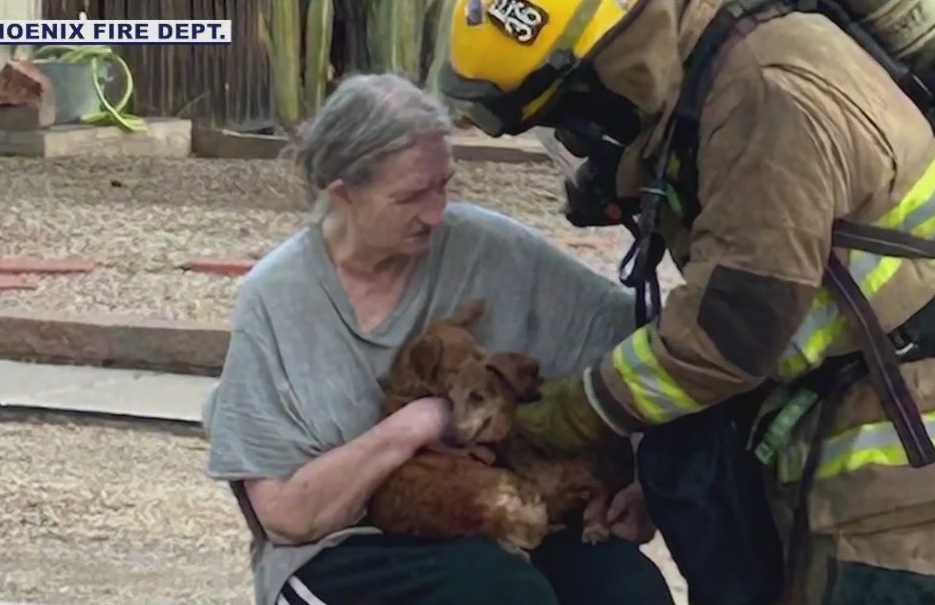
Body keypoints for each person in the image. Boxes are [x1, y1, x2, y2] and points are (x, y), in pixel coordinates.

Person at [436, 1, 935, 605]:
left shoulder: (762, 98)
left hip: (907, 452)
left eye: (569, 119)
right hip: (858, 411)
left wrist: (561, 415)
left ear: (616, 65)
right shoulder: (719, 71)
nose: (578, 145)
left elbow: (731, 332)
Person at [201, 72, 675, 605]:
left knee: (628, 590)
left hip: (506, 514)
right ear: (343, 194)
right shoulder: (279, 299)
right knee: (498, 594)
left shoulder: (489, 249)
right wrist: (415, 426)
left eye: (443, 185)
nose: (435, 213)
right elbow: (285, 517)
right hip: (345, 546)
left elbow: (643, 340)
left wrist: (645, 480)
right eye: (410, 197)